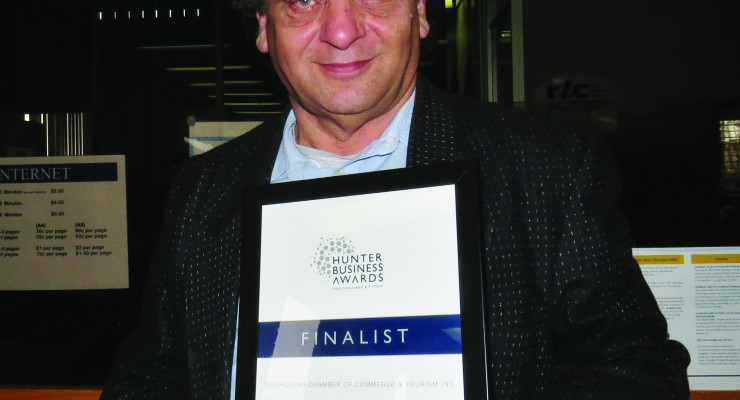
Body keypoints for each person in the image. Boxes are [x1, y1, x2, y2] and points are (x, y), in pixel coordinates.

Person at [101, 0, 691, 398]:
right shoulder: (204, 188)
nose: (341, 30)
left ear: (420, 12)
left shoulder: (546, 166)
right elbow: (148, 374)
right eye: (303, 0)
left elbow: (638, 371)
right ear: (263, 26)